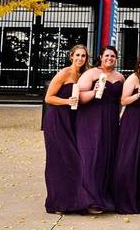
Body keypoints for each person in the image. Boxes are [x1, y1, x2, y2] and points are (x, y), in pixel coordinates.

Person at [75, 45, 125, 213]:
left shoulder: (120, 77)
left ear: (116, 59)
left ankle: (103, 196)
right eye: (107, 56)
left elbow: (120, 101)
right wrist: (94, 91)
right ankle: (89, 200)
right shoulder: (91, 74)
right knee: (91, 156)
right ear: (101, 57)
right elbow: (79, 97)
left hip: (110, 121)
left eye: (112, 56)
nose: (109, 59)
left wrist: (118, 117)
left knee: (106, 157)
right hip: (91, 119)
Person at [43, 44, 89, 214]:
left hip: (72, 120)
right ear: (71, 56)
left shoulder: (83, 74)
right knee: (58, 160)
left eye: (83, 56)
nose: (80, 59)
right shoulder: (64, 73)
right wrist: (66, 101)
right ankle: (56, 202)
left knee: (74, 160)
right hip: (56, 119)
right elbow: (49, 98)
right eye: (77, 55)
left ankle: (73, 200)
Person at [113, 51, 140, 214]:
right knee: (129, 156)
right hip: (132, 119)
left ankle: (137, 198)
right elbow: (123, 100)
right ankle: (123, 199)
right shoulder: (132, 78)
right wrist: (138, 94)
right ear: (139, 63)